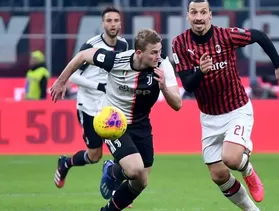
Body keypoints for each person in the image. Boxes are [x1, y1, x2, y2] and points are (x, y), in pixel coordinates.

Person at [172, 0, 279, 210]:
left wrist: (278, 65)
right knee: (218, 175)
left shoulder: (226, 36)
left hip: (237, 109)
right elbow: (188, 86)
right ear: (188, 16)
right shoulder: (180, 44)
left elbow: (259, 36)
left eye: (203, 12)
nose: (198, 17)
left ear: (210, 15)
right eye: (194, 12)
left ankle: (248, 171)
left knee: (231, 158)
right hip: (209, 117)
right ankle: (252, 209)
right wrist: (201, 71)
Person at [50, 28, 182, 211]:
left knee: (141, 181)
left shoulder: (163, 66)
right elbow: (82, 56)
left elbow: (177, 104)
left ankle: (109, 200)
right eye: (153, 52)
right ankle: (112, 170)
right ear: (139, 53)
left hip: (141, 123)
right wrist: (61, 81)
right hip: (113, 121)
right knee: (134, 169)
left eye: (159, 51)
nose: (158, 56)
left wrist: (164, 88)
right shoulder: (116, 60)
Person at [53, 6, 128, 194]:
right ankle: (66, 163)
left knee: (122, 148)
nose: (113, 24)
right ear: (102, 24)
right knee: (94, 155)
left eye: (116, 20)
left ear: (120, 23)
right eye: (109, 21)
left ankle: (118, 188)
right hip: (88, 106)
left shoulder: (124, 45)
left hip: (110, 107)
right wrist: (99, 86)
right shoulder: (90, 46)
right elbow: (74, 77)